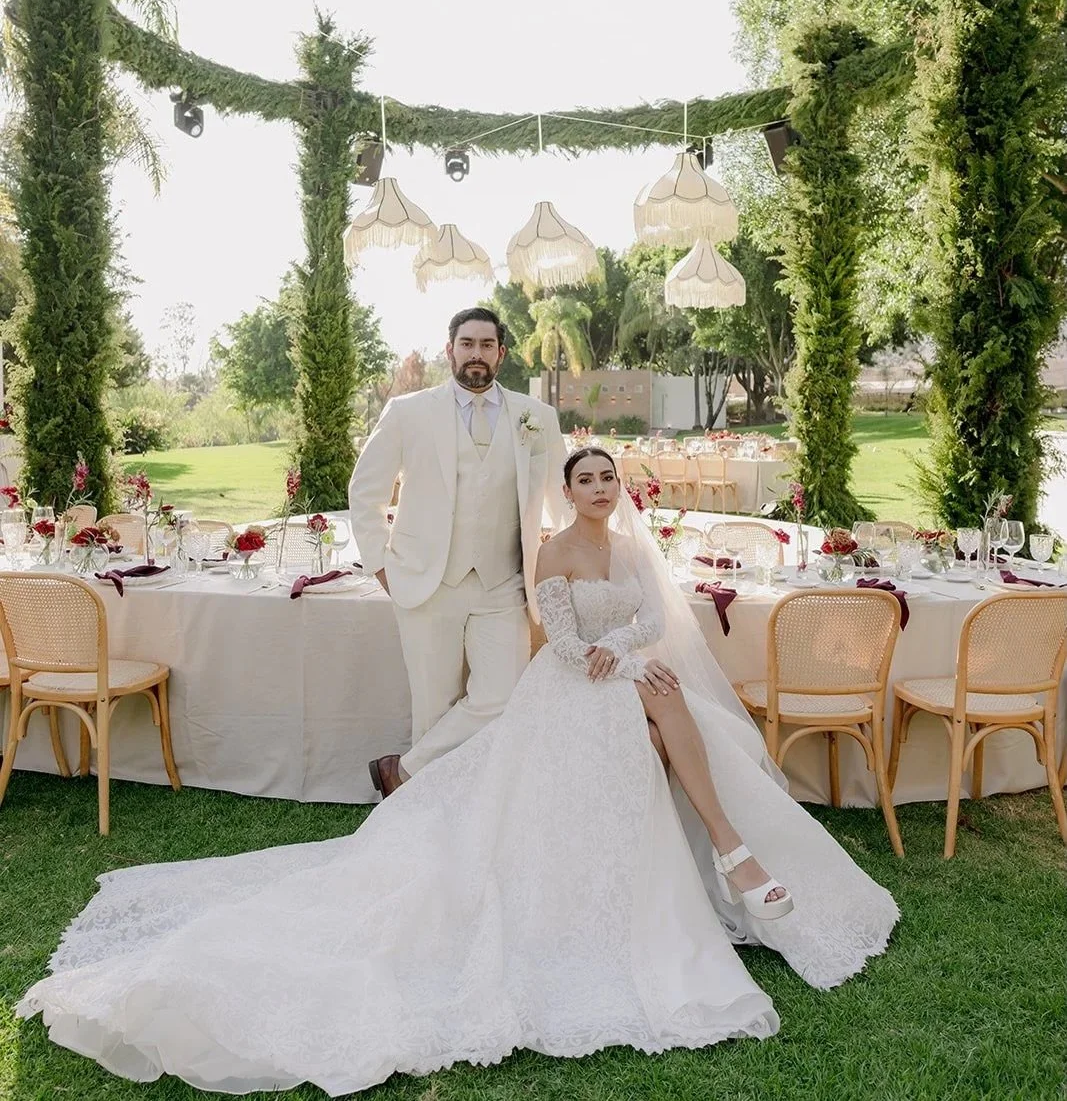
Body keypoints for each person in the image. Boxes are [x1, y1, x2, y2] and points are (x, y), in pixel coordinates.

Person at [17, 447, 898, 1096]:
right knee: (663, 706)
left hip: (625, 672)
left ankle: (732, 847)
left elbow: (646, 623)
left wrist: (629, 653)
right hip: (571, 685)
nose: (600, 489)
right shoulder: (554, 553)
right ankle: (732, 852)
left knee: (670, 700)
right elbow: (557, 635)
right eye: (586, 480)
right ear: (567, 493)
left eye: (608, 479)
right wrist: (606, 658)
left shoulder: (634, 551)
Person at [348, 306, 566, 796]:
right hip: (426, 581)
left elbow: (560, 498)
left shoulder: (537, 417)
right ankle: (427, 810)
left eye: (487, 345)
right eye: (467, 344)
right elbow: (365, 492)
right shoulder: (408, 412)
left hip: (504, 584)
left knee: (503, 696)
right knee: (433, 705)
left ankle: (401, 772)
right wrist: (381, 567)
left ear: (501, 353)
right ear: (449, 351)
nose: (476, 354)